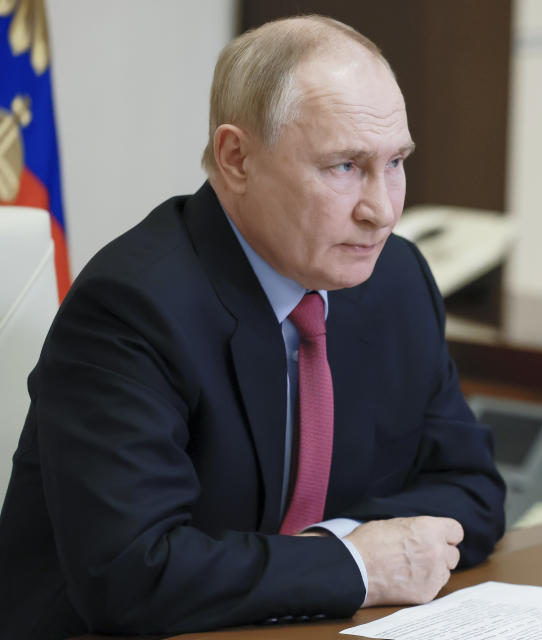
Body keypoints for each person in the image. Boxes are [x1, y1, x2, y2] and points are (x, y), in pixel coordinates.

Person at [0, 15, 505, 640]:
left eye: (395, 161)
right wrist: (355, 564)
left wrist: (334, 552)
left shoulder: (394, 279)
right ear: (237, 157)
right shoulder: (132, 307)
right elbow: (133, 575)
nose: (382, 209)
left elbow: (475, 492)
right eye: (345, 166)